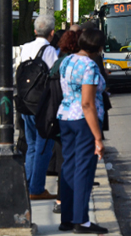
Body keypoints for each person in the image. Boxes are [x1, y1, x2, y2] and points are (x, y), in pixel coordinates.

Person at [56, 28, 108, 234]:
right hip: (83, 120)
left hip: (65, 116)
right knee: (84, 170)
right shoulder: (90, 66)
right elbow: (87, 103)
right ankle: (81, 220)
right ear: (98, 47)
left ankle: (67, 218)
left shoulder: (67, 61)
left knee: (68, 166)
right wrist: (98, 137)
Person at [20, 14, 58, 200]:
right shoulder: (50, 51)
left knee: (32, 146)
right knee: (44, 147)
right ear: (52, 33)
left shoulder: (25, 48)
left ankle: (27, 184)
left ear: (35, 31)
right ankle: (36, 188)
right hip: (42, 106)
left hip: (25, 103)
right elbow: (54, 77)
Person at [48, 29, 82, 214]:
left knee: (63, 162)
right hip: (76, 117)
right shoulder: (78, 64)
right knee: (77, 162)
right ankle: (73, 202)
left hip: (59, 116)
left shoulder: (57, 64)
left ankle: (60, 200)